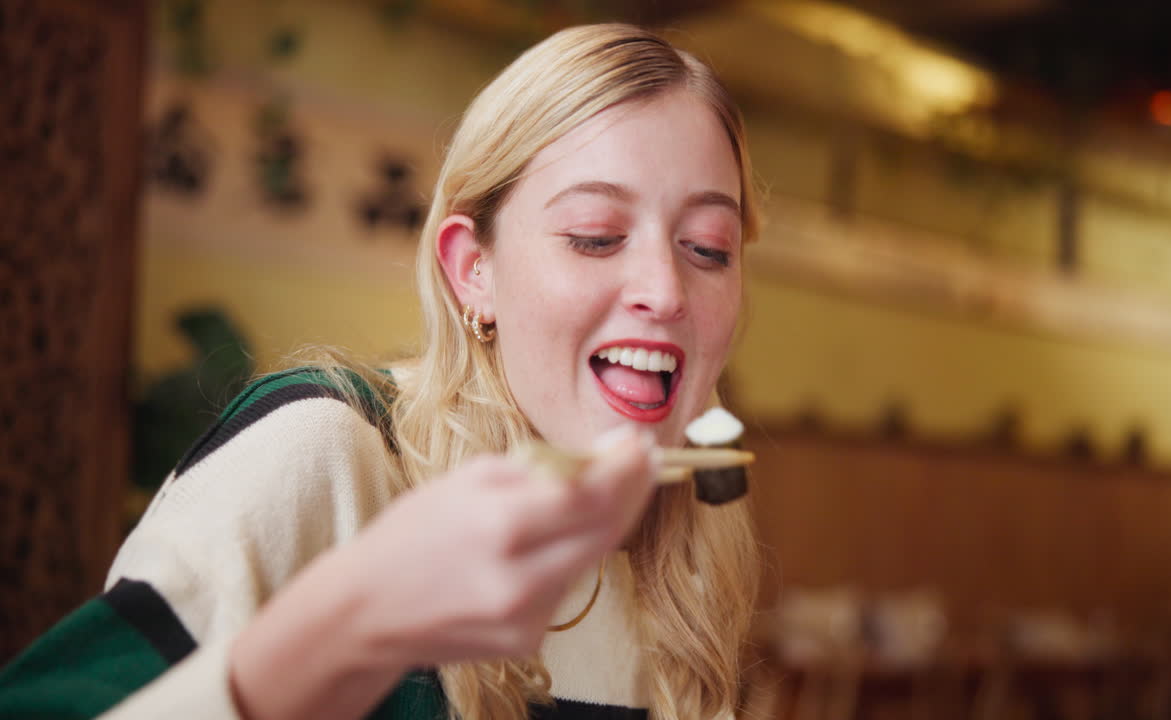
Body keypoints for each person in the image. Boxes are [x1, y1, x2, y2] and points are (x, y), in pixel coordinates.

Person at [0, 22, 762, 720]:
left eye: (708, 248)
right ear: (473, 269)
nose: (666, 292)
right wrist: (352, 623)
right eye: (595, 236)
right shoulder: (328, 454)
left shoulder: (688, 553)